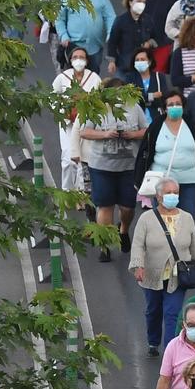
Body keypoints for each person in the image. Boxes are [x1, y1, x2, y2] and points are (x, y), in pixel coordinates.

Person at [131, 177, 195, 356]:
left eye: (176, 192)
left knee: (172, 313)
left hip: (178, 275)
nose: (173, 196)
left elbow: (194, 246)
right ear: (158, 196)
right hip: (152, 274)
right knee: (153, 310)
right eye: (168, 193)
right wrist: (138, 266)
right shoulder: (146, 219)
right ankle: (153, 341)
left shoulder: (187, 218)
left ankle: (170, 351)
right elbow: (137, 245)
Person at [79, 84, 147, 259]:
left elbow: (146, 130)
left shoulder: (134, 108)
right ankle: (104, 246)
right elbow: (84, 131)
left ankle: (123, 230)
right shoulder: (98, 108)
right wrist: (105, 134)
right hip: (102, 167)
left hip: (128, 167)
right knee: (105, 205)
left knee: (127, 207)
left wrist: (133, 135)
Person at [132, 92, 195, 217]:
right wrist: (139, 177)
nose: (175, 107)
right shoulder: (156, 126)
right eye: (171, 104)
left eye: (178, 104)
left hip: (189, 180)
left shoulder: (192, 125)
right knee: (161, 220)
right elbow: (145, 152)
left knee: (186, 217)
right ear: (164, 108)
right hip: (162, 180)